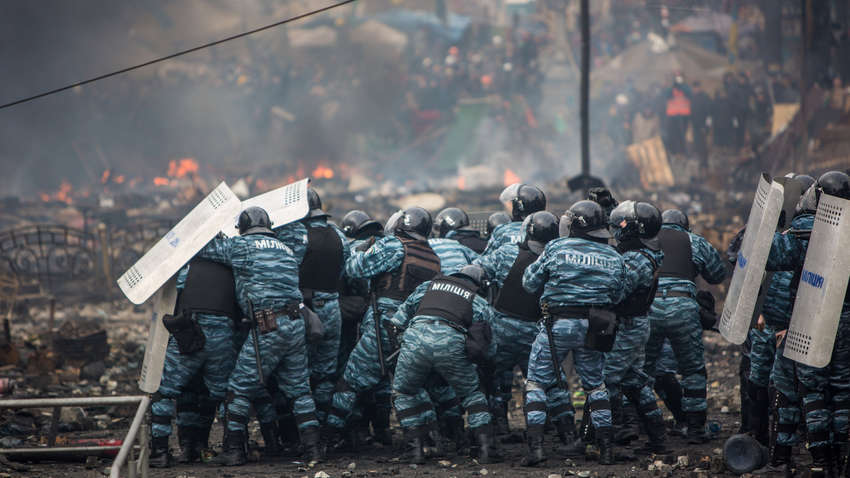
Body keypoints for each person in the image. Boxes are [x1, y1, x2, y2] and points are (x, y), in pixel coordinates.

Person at [197, 206, 321, 466]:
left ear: (244, 227)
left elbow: (204, 249)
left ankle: (234, 451)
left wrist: (209, 228)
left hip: (268, 326)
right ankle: (313, 450)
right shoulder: (286, 249)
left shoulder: (243, 246)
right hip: (296, 325)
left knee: (239, 388)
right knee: (300, 390)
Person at [521, 200, 637, 466]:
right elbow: (619, 295)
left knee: (536, 383)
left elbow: (529, 283)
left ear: (574, 224)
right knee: (596, 386)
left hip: (557, 325)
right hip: (595, 326)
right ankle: (606, 449)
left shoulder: (556, 247)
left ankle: (536, 450)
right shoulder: (614, 256)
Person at [326, 207, 442, 446]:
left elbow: (355, 269)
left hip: (384, 326)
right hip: (415, 331)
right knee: (411, 386)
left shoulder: (395, 245)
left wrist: (359, 250)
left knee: (350, 382)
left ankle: (329, 436)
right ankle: (429, 439)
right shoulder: (433, 257)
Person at [762, 171, 850, 477]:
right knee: (842, 391)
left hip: (813, 317)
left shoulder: (809, 229)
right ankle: (841, 461)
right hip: (846, 320)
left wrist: (772, 226)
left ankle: (820, 462)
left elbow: (770, 255)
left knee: (810, 390)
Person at [389, 265, 501, 464]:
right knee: (472, 394)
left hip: (415, 339)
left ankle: (415, 450)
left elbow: (397, 321)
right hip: (452, 343)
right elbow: (489, 346)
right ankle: (486, 449)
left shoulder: (427, 286)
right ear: (479, 284)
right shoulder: (478, 300)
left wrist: (404, 346)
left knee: (404, 392)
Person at [475, 211, 568, 439]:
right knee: (550, 383)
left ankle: (498, 428)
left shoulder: (507, 252)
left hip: (502, 329)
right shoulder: (560, 258)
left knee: (492, 377)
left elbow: (476, 269)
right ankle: (565, 433)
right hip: (538, 332)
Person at [643, 209, 726, 444]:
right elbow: (717, 274)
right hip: (683, 306)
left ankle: (649, 430)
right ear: (684, 225)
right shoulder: (693, 241)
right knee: (693, 371)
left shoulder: (646, 240)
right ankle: (696, 430)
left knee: (642, 371)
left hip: (650, 306)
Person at [149, 257, 241, 467]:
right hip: (223, 335)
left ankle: (161, 452)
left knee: (163, 391)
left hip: (192, 333)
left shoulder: (187, 264)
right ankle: (233, 449)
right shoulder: (233, 265)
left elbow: (170, 297)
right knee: (226, 394)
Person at [604, 201, 667, 454]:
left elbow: (617, 293)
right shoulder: (644, 253)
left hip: (629, 326)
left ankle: (612, 434)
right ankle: (658, 439)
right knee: (634, 381)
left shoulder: (636, 259)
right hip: (636, 324)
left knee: (607, 380)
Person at [298, 189, 350, 427]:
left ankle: (303, 428)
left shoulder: (297, 235)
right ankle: (323, 425)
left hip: (305, 310)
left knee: (298, 371)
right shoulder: (339, 235)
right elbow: (345, 270)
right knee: (326, 373)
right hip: (332, 306)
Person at [482, 183, 546, 256]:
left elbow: (486, 258)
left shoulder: (503, 231)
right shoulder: (548, 228)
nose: (509, 206)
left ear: (519, 207)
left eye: (513, 204)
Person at [430, 208, 480, 274]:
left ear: (445, 227)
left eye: (437, 228)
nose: (436, 233)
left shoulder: (450, 244)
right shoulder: (485, 243)